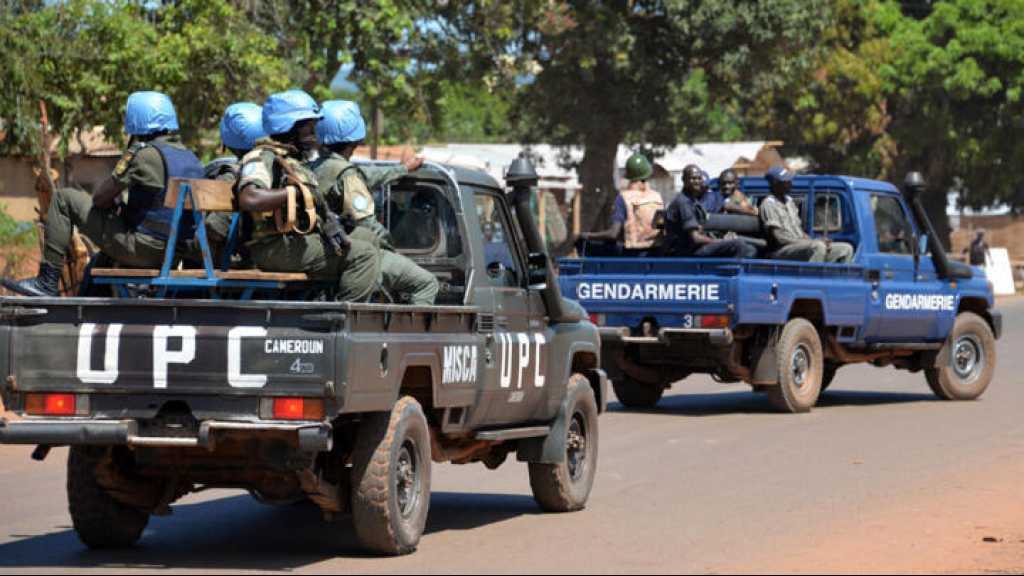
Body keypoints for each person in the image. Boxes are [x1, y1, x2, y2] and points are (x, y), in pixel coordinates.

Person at [2, 91, 204, 297]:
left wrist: (112, 203)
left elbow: (100, 199)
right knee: (103, 256)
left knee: (64, 199)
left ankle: (46, 282)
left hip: (144, 250)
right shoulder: (191, 158)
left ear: (137, 119)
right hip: (175, 251)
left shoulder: (144, 155)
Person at [236, 90, 383, 303]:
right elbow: (249, 198)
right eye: (309, 126)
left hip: (293, 240)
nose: (314, 133)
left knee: (368, 237)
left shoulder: (293, 161)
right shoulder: (262, 157)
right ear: (290, 127)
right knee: (363, 255)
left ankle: (334, 299)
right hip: (272, 246)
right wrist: (294, 193)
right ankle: (340, 319)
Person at [311, 100, 437, 305]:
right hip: (348, 251)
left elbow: (365, 175)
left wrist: (403, 169)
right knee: (427, 283)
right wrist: (391, 246)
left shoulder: (317, 167)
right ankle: (411, 337)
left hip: (323, 248)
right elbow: (367, 224)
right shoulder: (346, 174)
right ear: (356, 138)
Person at [759, 166, 854, 263]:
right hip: (781, 250)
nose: (790, 183)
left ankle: (833, 277)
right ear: (775, 183)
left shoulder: (789, 202)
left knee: (845, 249)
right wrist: (811, 243)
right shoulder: (768, 205)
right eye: (786, 181)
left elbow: (799, 231)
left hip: (799, 246)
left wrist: (816, 239)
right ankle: (812, 276)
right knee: (818, 247)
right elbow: (780, 238)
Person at [663, 164, 757, 258]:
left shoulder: (692, 201)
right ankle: (729, 271)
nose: (697, 181)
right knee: (738, 244)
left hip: (691, 247)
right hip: (686, 251)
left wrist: (753, 211)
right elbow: (696, 238)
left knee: (749, 249)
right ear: (684, 180)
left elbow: (726, 205)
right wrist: (721, 241)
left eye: (699, 178)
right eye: (693, 178)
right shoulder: (684, 202)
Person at [581, 153, 663, 255]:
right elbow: (661, 228)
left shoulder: (623, 198)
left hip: (632, 255)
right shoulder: (657, 197)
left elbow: (613, 234)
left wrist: (587, 235)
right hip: (655, 252)